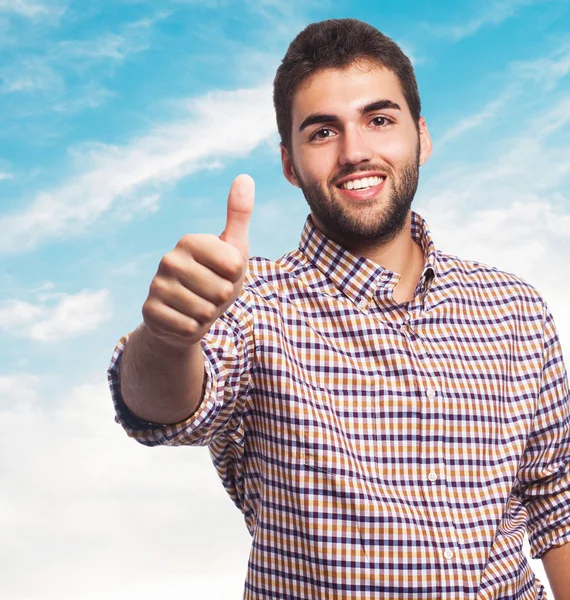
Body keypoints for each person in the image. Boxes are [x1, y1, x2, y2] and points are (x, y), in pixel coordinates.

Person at [107, 18, 570, 599]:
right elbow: (158, 409)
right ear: (289, 163)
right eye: (323, 132)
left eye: (379, 120)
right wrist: (169, 338)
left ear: (421, 136)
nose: (356, 152)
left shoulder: (515, 309)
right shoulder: (249, 304)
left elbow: (556, 499)